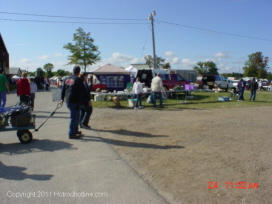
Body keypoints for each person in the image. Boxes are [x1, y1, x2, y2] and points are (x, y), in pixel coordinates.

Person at [61, 66, 85, 139]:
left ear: (73, 71)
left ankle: (75, 130)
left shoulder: (66, 79)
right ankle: (71, 133)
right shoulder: (78, 79)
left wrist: (62, 98)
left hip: (68, 100)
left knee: (76, 116)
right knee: (74, 117)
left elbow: (63, 89)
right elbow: (83, 91)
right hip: (75, 100)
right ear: (79, 72)